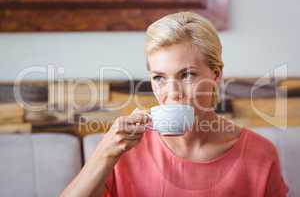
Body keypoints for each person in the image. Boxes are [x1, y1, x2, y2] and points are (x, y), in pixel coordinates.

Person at [61, 11, 288, 197]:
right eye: (159, 78)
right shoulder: (123, 149)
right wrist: (105, 153)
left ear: (216, 75)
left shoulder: (260, 154)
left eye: (187, 75)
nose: (172, 93)